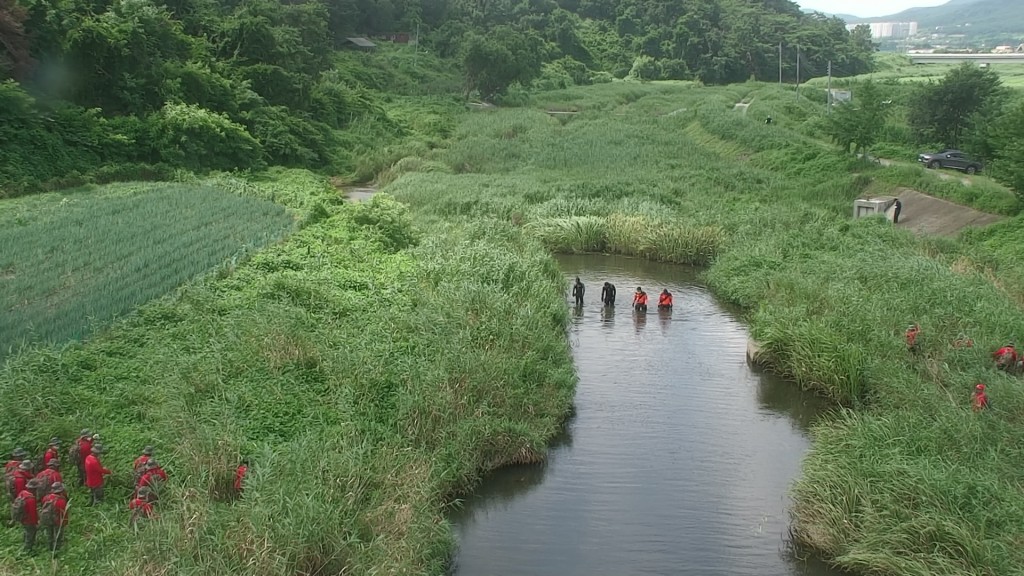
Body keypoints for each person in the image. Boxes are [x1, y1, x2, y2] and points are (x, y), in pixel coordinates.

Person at [13, 478, 41, 552]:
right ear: (34, 489)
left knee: (26, 532)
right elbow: (32, 513)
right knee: (30, 534)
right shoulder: (31, 499)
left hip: (22, 518)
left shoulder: (22, 493)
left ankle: (25, 545)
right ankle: (27, 550)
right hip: (29, 520)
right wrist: (36, 522)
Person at [40, 482, 68, 552]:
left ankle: (50, 548)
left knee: (50, 534)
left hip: (47, 519)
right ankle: (57, 549)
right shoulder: (61, 500)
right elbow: (63, 513)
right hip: (57, 520)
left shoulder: (46, 497)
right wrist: (64, 522)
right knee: (58, 535)